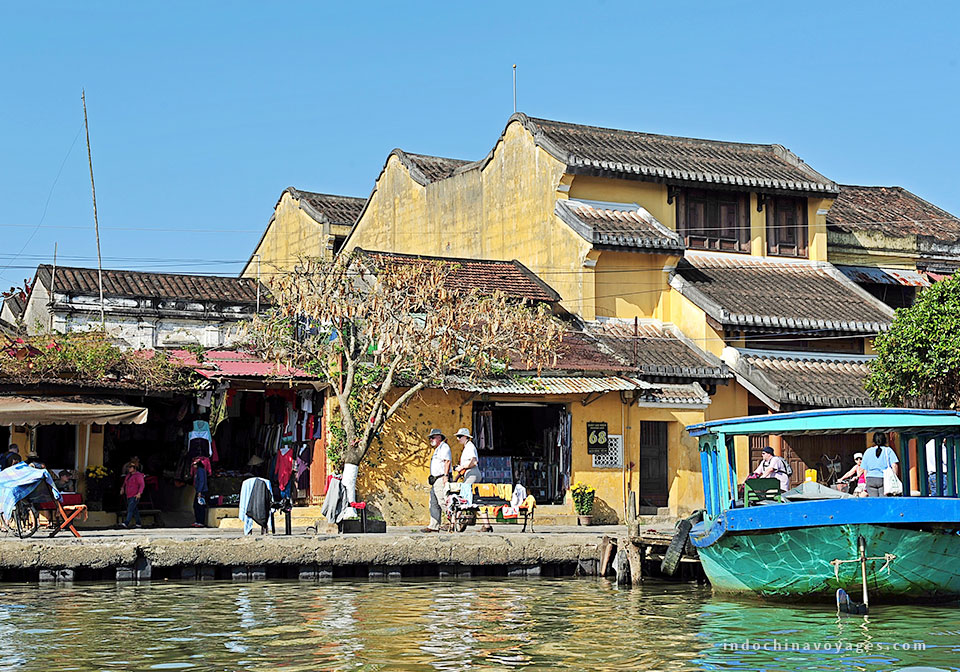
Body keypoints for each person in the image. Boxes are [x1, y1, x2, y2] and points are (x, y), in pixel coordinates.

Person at [421, 428, 451, 533]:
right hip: (435, 479)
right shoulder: (438, 449)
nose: (431, 439)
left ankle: (453, 522)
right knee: (433, 502)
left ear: (439, 437)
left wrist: (445, 476)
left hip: (441, 477)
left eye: (432, 437)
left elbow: (447, 461)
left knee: (442, 501)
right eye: (430, 438)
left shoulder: (444, 447)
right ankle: (434, 525)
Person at [861, 432, 899, 497]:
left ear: (873, 440)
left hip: (870, 479)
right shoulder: (888, 450)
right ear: (884, 440)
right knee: (884, 501)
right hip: (884, 478)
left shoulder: (868, 451)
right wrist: (894, 476)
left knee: (874, 502)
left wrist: (866, 480)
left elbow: (865, 470)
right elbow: (894, 465)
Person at [453, 428, 481, 504]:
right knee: (465, 493)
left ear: (465, 436)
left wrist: (461, 467)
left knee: (465, 495)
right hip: (468, 473)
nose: (458, 439)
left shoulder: (470, 447)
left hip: (472, 473)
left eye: (460, 436)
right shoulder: (466, 447)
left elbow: (474, 462)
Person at [121, 462, 145, 528]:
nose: (129, 469)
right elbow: (125, 483)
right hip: (128, 494)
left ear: (134, 468)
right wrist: (122, 488)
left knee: (130, 509)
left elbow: (142, 485)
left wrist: (139, 493)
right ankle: (138, 523)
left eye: (130, 467)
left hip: (135, 495)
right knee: (134, 510)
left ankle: (126, 522)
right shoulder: (128, 475)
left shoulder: (138, 475)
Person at [192, 456, 209, 528]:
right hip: (200, 490)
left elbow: (201, 481)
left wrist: (199, 491)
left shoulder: (200, 471)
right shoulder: (199, 470)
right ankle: (198, 521)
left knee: (199, 506)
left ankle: (200, 521)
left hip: (201, 491)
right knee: (196, 506)